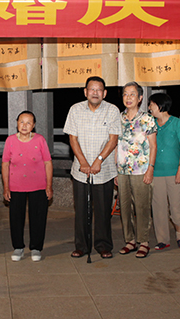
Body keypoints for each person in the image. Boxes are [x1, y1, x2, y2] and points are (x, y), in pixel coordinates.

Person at [63, 76, 121, 259]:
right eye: (92, 89)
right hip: (81, 171)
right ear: (85, 92)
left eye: (99, 90)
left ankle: (103, 245)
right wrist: (82, 161)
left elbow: (113, 139)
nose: (95, 93)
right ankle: (82, 246)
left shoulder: (112, 110)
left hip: (104, 170)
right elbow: (72, 138)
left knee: (103, 211)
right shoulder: (75, 109)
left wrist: (99, 160)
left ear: (105, 93)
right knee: (81, 211)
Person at [2, 110, 53, 262]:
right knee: (16, 218)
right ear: (17, 123)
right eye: (21, 122)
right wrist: (6, 187)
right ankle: (18, 247)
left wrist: (49, 186)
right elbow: (5, 164)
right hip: (16, 185)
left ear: (34, 125)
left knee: (38, 217)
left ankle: (36, 247)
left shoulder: (40, 140)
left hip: (38, 185)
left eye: (28, 122)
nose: (24, 125)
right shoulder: (10, 140)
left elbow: (48, 163)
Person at [116, 82, 157, 258]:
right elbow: (115, 145)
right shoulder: (118, 118)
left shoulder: (147, 119)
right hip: (122, 170)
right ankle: (130, 240)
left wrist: (150, 169)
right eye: (125, 94)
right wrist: (115, 170)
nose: (128, 97)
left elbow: (153, 146)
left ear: (140, 98)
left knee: (142, 206)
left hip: (141, 170)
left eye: (132, 94)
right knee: (124, 207)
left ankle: (144, 241)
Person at [149, 93, 180, 251]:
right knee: (158, 208)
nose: (149, 108)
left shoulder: (177, 123)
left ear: (160, 105)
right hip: (156, 172)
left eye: (152, 104)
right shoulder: (151, 124)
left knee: (176, 206)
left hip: (174, 171)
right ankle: (162, 239)